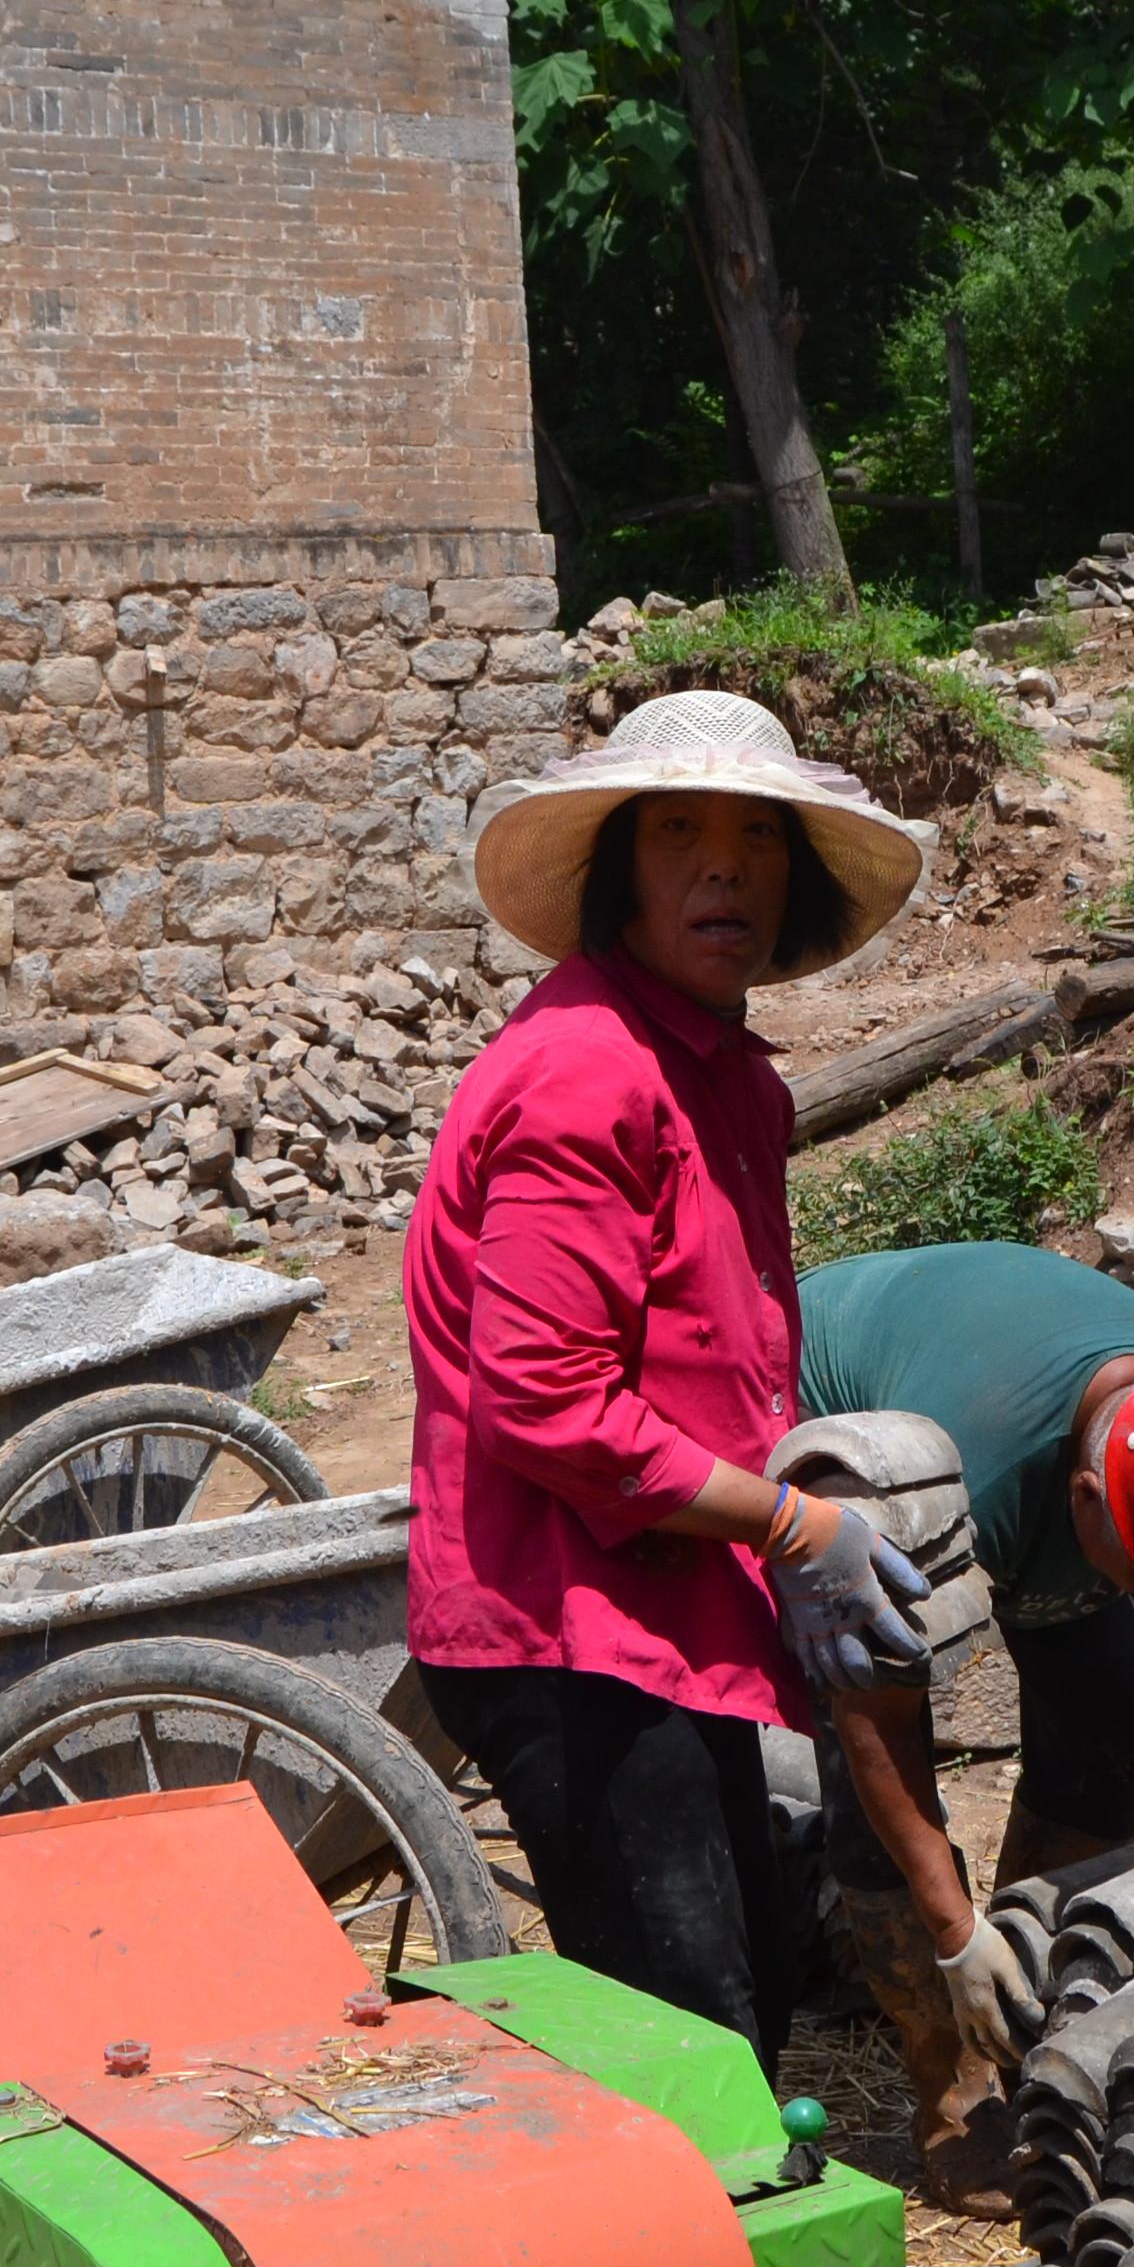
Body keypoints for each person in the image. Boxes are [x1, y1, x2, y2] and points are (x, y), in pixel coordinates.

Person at [397, 690, 940, 2062]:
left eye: (759, 840)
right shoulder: (586, 1071)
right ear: (619, 877)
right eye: (683, 834)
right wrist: (794, 1525)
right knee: (693, 2041)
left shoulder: (721, 1078)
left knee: (749, 1982)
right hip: (565, 1620)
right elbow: (547, 1403)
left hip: (659, 1596)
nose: (725, 867)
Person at [792, 1239, 1134, 2206]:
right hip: (823, 1399)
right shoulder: (954, 1469)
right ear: (1084, 1501)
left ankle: (1025, 2009)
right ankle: (954, 2078)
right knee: (866, 1790)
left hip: (1023, 1423)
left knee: (1106, 1734)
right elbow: (878, 1724)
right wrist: (954, 1934)